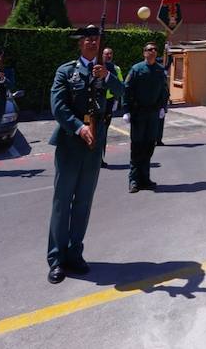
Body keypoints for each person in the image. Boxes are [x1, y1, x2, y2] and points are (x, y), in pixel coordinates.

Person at [47, 25, 124, 284]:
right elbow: (58, 107)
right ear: (80, 44)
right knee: (62, 202)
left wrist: (107, 78)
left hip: (95, 143)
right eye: (87, 38)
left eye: (96, 38)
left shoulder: (106, 70)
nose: (92, 41)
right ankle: (57, 259)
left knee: (83, 201)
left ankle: (75, 253)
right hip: (71, 142)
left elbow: (122, 93)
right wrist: (79, 127)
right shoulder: (66, 71)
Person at [123, 42, 169, 193]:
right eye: (150, 49)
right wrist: (126, 110)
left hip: (153, 114)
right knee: (137, 147)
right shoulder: (137, 69)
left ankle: (145, 178)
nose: (153, 51)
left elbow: (164, 90)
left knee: (149, 146)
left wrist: (163, 107)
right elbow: (127, 89)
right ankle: (134, 180)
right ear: (144, 53)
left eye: (155, 49)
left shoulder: (160, 70)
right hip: (139, 113)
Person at [100, 47, 123, 167]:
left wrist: (116, 100)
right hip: (96, 103)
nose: (108, 56)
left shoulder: (116, 68)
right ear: (102, 55)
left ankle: (100, 159)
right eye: (106, 54)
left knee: (104, 131)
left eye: (110, 53)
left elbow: (120, 85)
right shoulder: (97, 66)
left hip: (109, 103)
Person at [156, 53, 173, 146]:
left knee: (160, 121)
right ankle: (155, 139)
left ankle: (158, 139)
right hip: (157, 101)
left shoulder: (162, 71)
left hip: (163, 100)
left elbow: (168, 65)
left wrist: (170, 56)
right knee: (156, 121)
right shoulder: (156, 72)